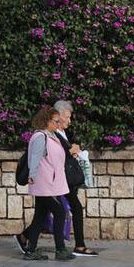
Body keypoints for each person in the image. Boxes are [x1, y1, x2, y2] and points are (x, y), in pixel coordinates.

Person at [15, 107, 75, 260]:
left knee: (39, 217)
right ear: (46, 121)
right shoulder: (40, 137)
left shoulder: (51, 136)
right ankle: (60, 250)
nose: (58, 124)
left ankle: (31, 250)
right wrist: (32, 176)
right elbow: (34, 159)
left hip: (48, 183)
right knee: (60, 212)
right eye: (56, 121)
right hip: (43, 183)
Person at [53, 100, 98, 257]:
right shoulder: (53, 133)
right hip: (59, 179)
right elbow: (60, 152)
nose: (70, 121)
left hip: (66, 178)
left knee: (46, 211)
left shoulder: (63, 133)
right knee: (72, 209)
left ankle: (25, 237)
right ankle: (76, 246)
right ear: (58, 116)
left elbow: (70, 147)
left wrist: (74, 148)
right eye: (67, 117)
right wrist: (72, 150)